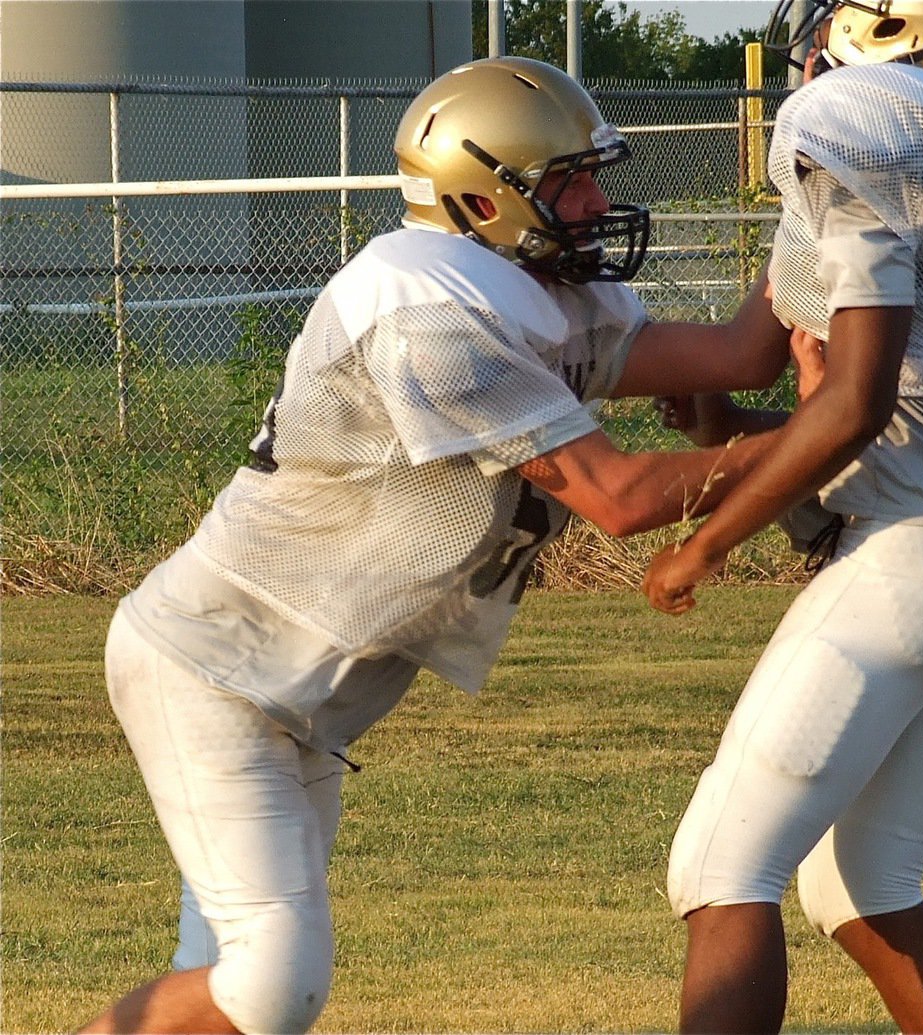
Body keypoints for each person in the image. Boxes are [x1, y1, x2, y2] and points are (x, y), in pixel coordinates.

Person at [80, 56, 797, 1035]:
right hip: (217, 665)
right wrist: (825, 434)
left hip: (306, 683)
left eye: (594, 175)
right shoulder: (429, 315)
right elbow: (619, 497)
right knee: (268, 987)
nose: (597, 202)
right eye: (568, 183)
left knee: (226, 979)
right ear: (475, 198)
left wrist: (825, 205)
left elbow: (736, 355)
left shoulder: (536, 287)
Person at [642, 2, 923, 1032]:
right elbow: (860, 401)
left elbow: (857, 404)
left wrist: (703, 544)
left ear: (900, 27)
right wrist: (729, 419)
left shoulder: (869, 120)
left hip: (919, 553)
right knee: (866, 884)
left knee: (721, 865)